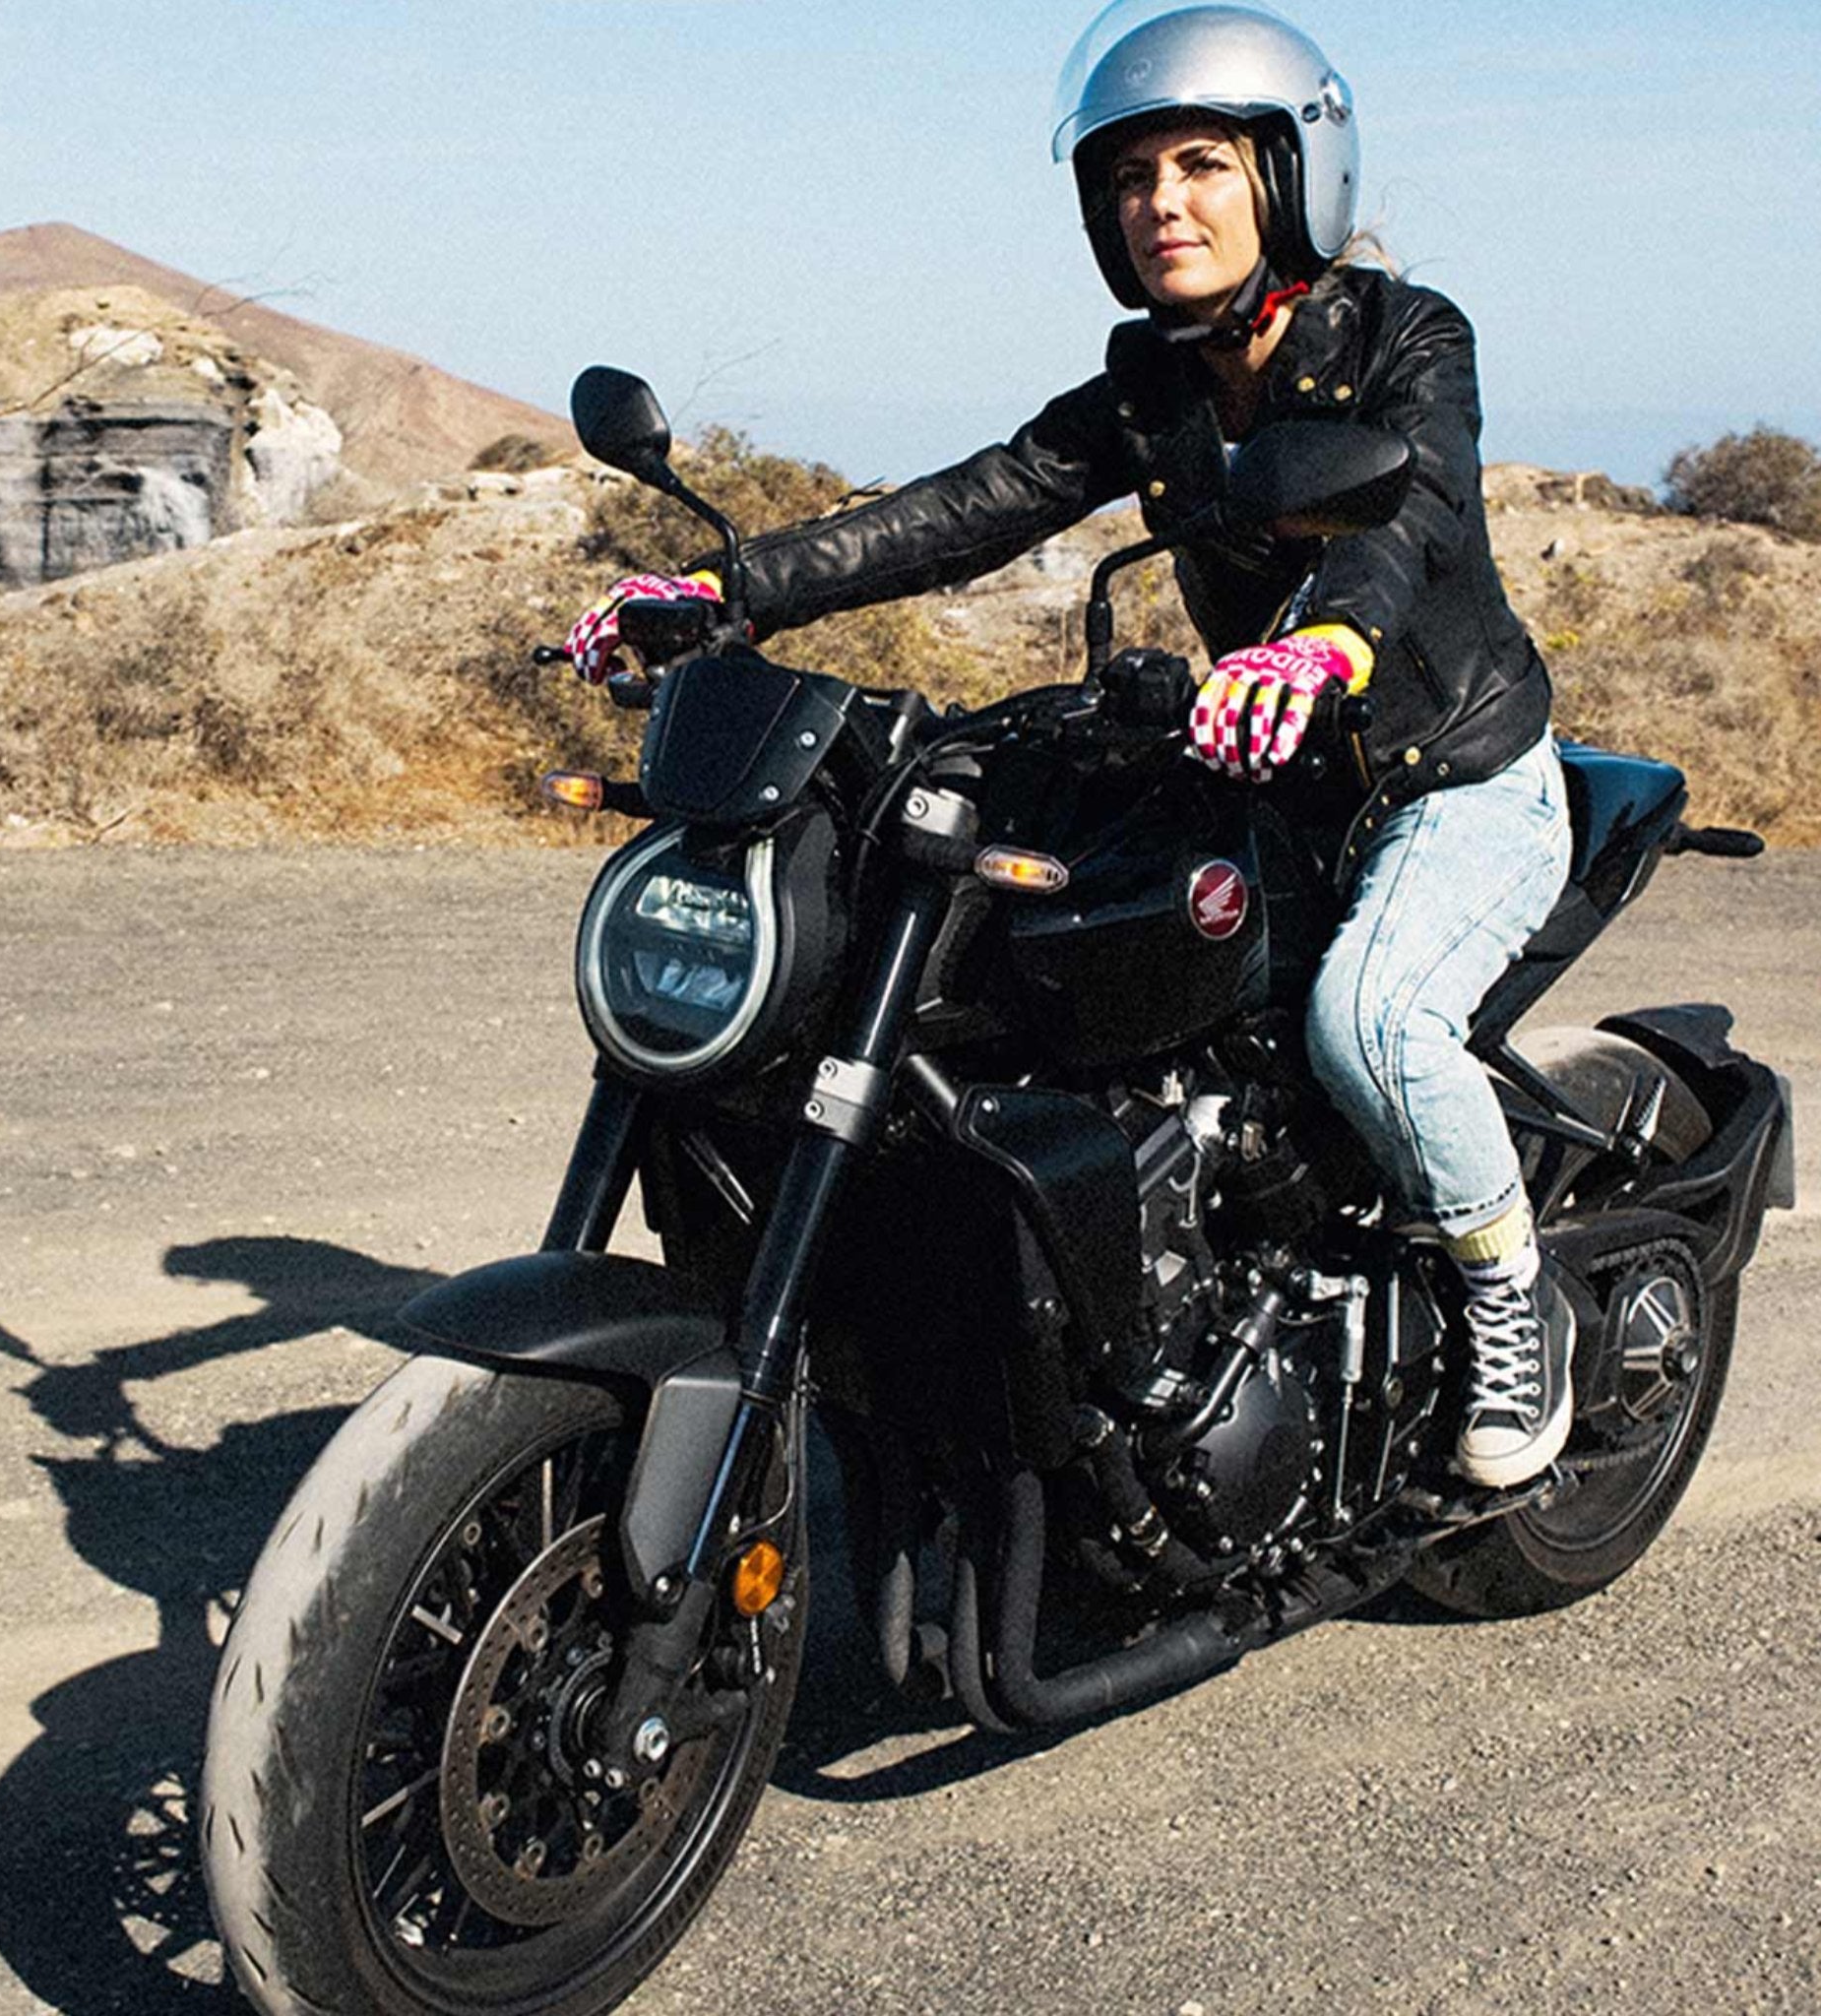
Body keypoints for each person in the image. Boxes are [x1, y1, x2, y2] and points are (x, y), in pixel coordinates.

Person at [564, 1, 1575, 1490]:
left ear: (1290, 178)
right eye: (1132, 178)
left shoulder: (1409, 338)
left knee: (1371, 1025)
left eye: (1203, 166)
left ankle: (1510, 1297)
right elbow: (975, 503)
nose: (1162, 203)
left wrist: (1324, 643)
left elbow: (1413, 518)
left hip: (1454, 776)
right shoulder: (1152, 384)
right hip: (1266, 766)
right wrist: (726, 589)